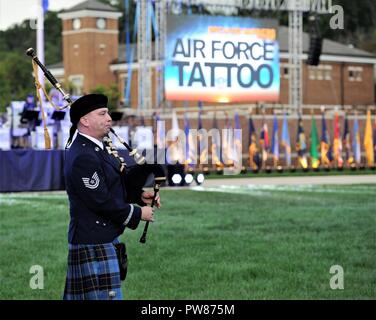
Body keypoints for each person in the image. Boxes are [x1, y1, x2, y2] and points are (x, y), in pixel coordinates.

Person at [63, 93, 160, 300]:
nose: (109, 118)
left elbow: (113, 184)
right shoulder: (83, 156)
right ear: (85, 120)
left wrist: (140, 197)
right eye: (103, 113)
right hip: (93, 240)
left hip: (101, 237)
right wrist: (138, 213)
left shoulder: (97, 147)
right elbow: (101, 201)